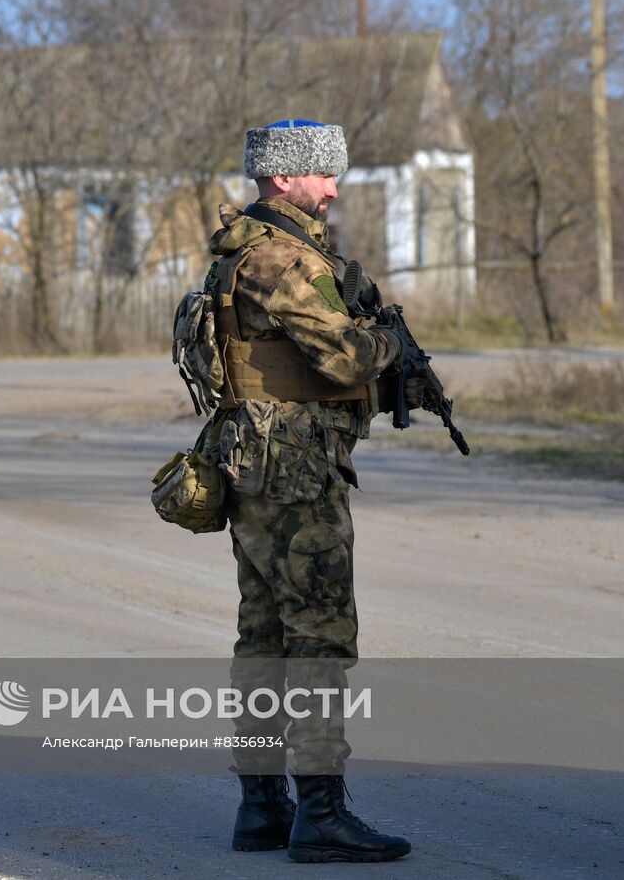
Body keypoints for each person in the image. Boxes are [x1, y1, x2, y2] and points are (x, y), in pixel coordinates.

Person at [197, 119, 412, 863]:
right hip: (293, 471)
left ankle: (261, 806)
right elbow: (348, 356)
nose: (334, 186)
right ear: (284, 178)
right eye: (323, 173)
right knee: (317, 639)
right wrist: (391, 341)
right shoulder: (281, 259)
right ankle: (321, 814)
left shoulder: (239, 250)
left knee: (262, 635)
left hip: (251, 466)